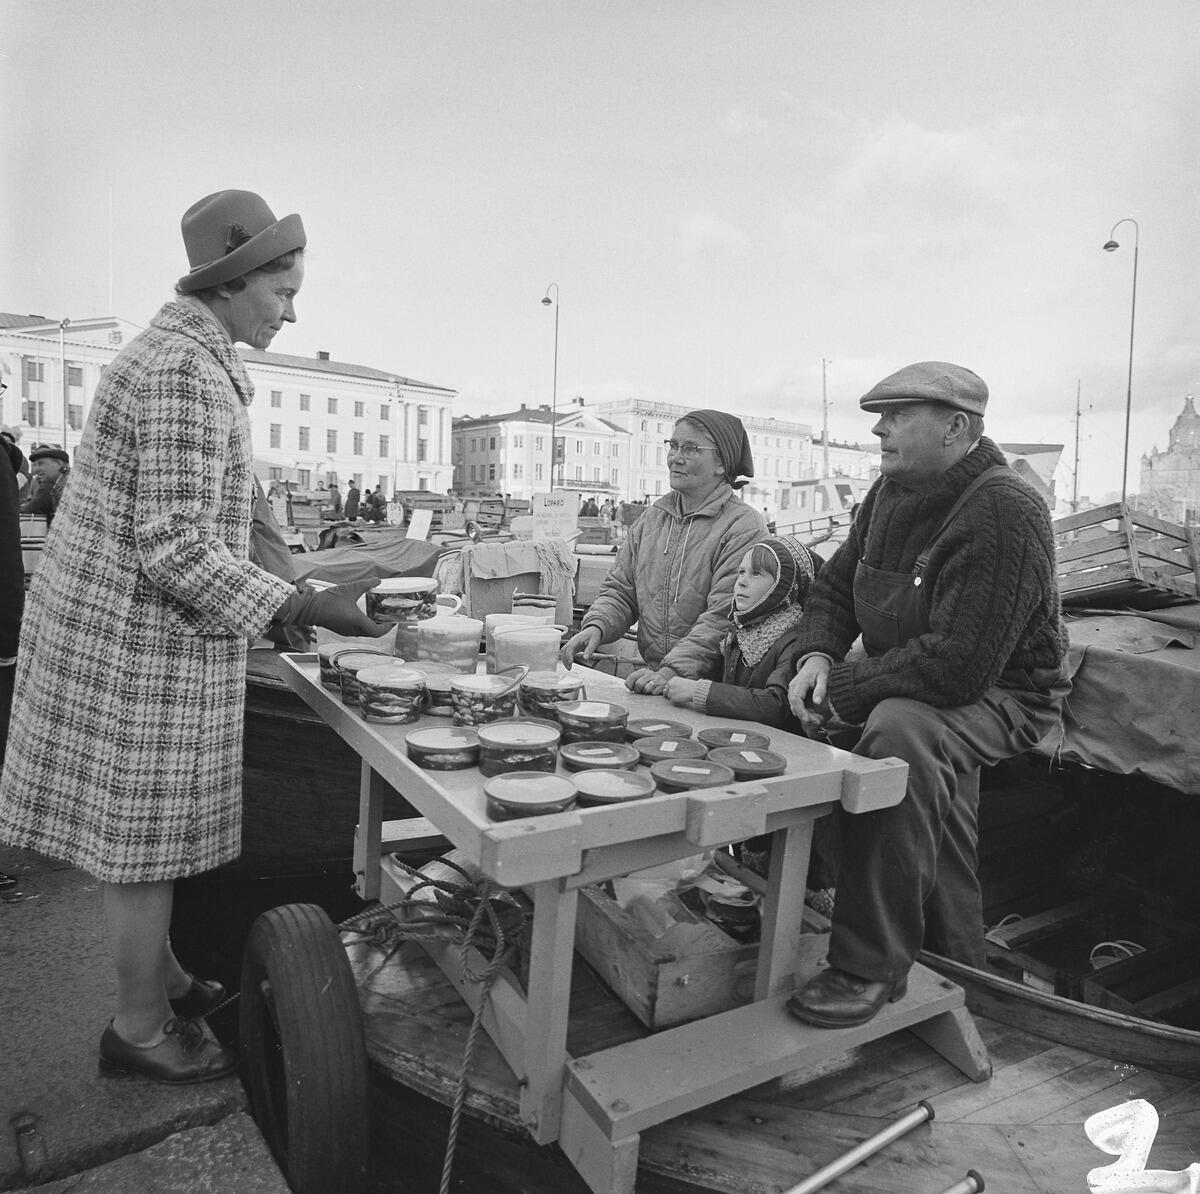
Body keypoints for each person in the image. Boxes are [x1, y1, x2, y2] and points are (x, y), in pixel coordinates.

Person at [0, 189, 387, 1083]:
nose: (293, 308)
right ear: (232, 282)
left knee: (143, 836)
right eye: (282, 288)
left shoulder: (182, 357)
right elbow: (175, 545)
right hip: (137, 651)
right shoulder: (183, 373)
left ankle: (166, 979)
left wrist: (306, 584)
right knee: (144, 841)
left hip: (129, 639)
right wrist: (309, 608)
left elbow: (199, 527)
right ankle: (137, 1030)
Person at [784, 362, 1069, 1029]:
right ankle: (961, 957)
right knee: (878, 741)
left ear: (956, 427)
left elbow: (957, 668)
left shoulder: (1005, 510)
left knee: (900, 736)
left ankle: (868, 965)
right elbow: (833, 589)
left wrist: (845, 690)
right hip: (914, 678)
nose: (878, 429)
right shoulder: (886, 495)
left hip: (1004, 693)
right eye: (879, 415)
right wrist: (818, 656)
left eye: (898, 415)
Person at [561, 410, 767, 693]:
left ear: (722, 463)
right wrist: (596, 627)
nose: (675, 457)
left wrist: (673, 671)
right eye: (673, 445)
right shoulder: (653, 518)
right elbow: (622, 589)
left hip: (713, 689)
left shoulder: (744, 526)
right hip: (660, 677)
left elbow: (724, 616)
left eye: (691, 448)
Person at [664, 534, 819, 728]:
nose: (742, 582)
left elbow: (777, 705)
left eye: (756, 574)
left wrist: (698, 691)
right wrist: (667, 678)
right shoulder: (741, 631)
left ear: (784, 585)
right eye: (741, 572)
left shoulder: (796, 640)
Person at [20, 444, 71, 523]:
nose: (36, 470)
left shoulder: (49, 485)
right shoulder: (67, 480)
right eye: (34, 465)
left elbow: (32, 508)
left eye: (41, 464)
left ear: (59, 464)